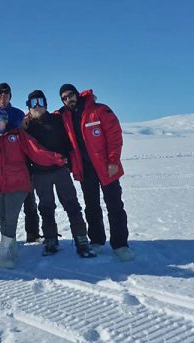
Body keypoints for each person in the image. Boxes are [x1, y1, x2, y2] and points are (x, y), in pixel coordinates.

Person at [0, 108, 66, 268]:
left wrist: (55, 158)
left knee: (11, 217)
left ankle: (2, 254)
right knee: (3, 217)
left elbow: (36, 151)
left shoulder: (18, 136)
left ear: (6, 120)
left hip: (17, 184)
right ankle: (12, 247)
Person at [57, 84, 134, 262]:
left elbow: (114, 135)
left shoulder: (99, 110)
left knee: (114, 205)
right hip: (85, 169)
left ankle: (120, 245)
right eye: (64, 98)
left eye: (71, 95)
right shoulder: (65, 116)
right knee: (91, 206)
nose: (69, 99)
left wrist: (114, 160)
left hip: (106, 167)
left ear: (77, 94)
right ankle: (97, 241)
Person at [23, 90, 96, 258]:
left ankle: (81, 239)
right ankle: (50, 239)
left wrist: (69, 162)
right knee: (46, 207)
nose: (38, 106)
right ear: (29, 105)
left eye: (41, 101)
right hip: (40, 173)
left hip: (60, 170)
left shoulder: (57, 120)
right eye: (34, 102)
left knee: (72, 204)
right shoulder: (27, 126)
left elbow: (69, 139)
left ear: (46, 104)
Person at [0, 83, 42, 243]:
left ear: (10, 95)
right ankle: (7, 238)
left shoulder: (18, 114)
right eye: (0, 93)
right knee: (3, 206)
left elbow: (27, 135)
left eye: (6, 93)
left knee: (29, 199)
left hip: (21, 163)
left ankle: (32, 233)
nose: (3, 95)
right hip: (1, 166)